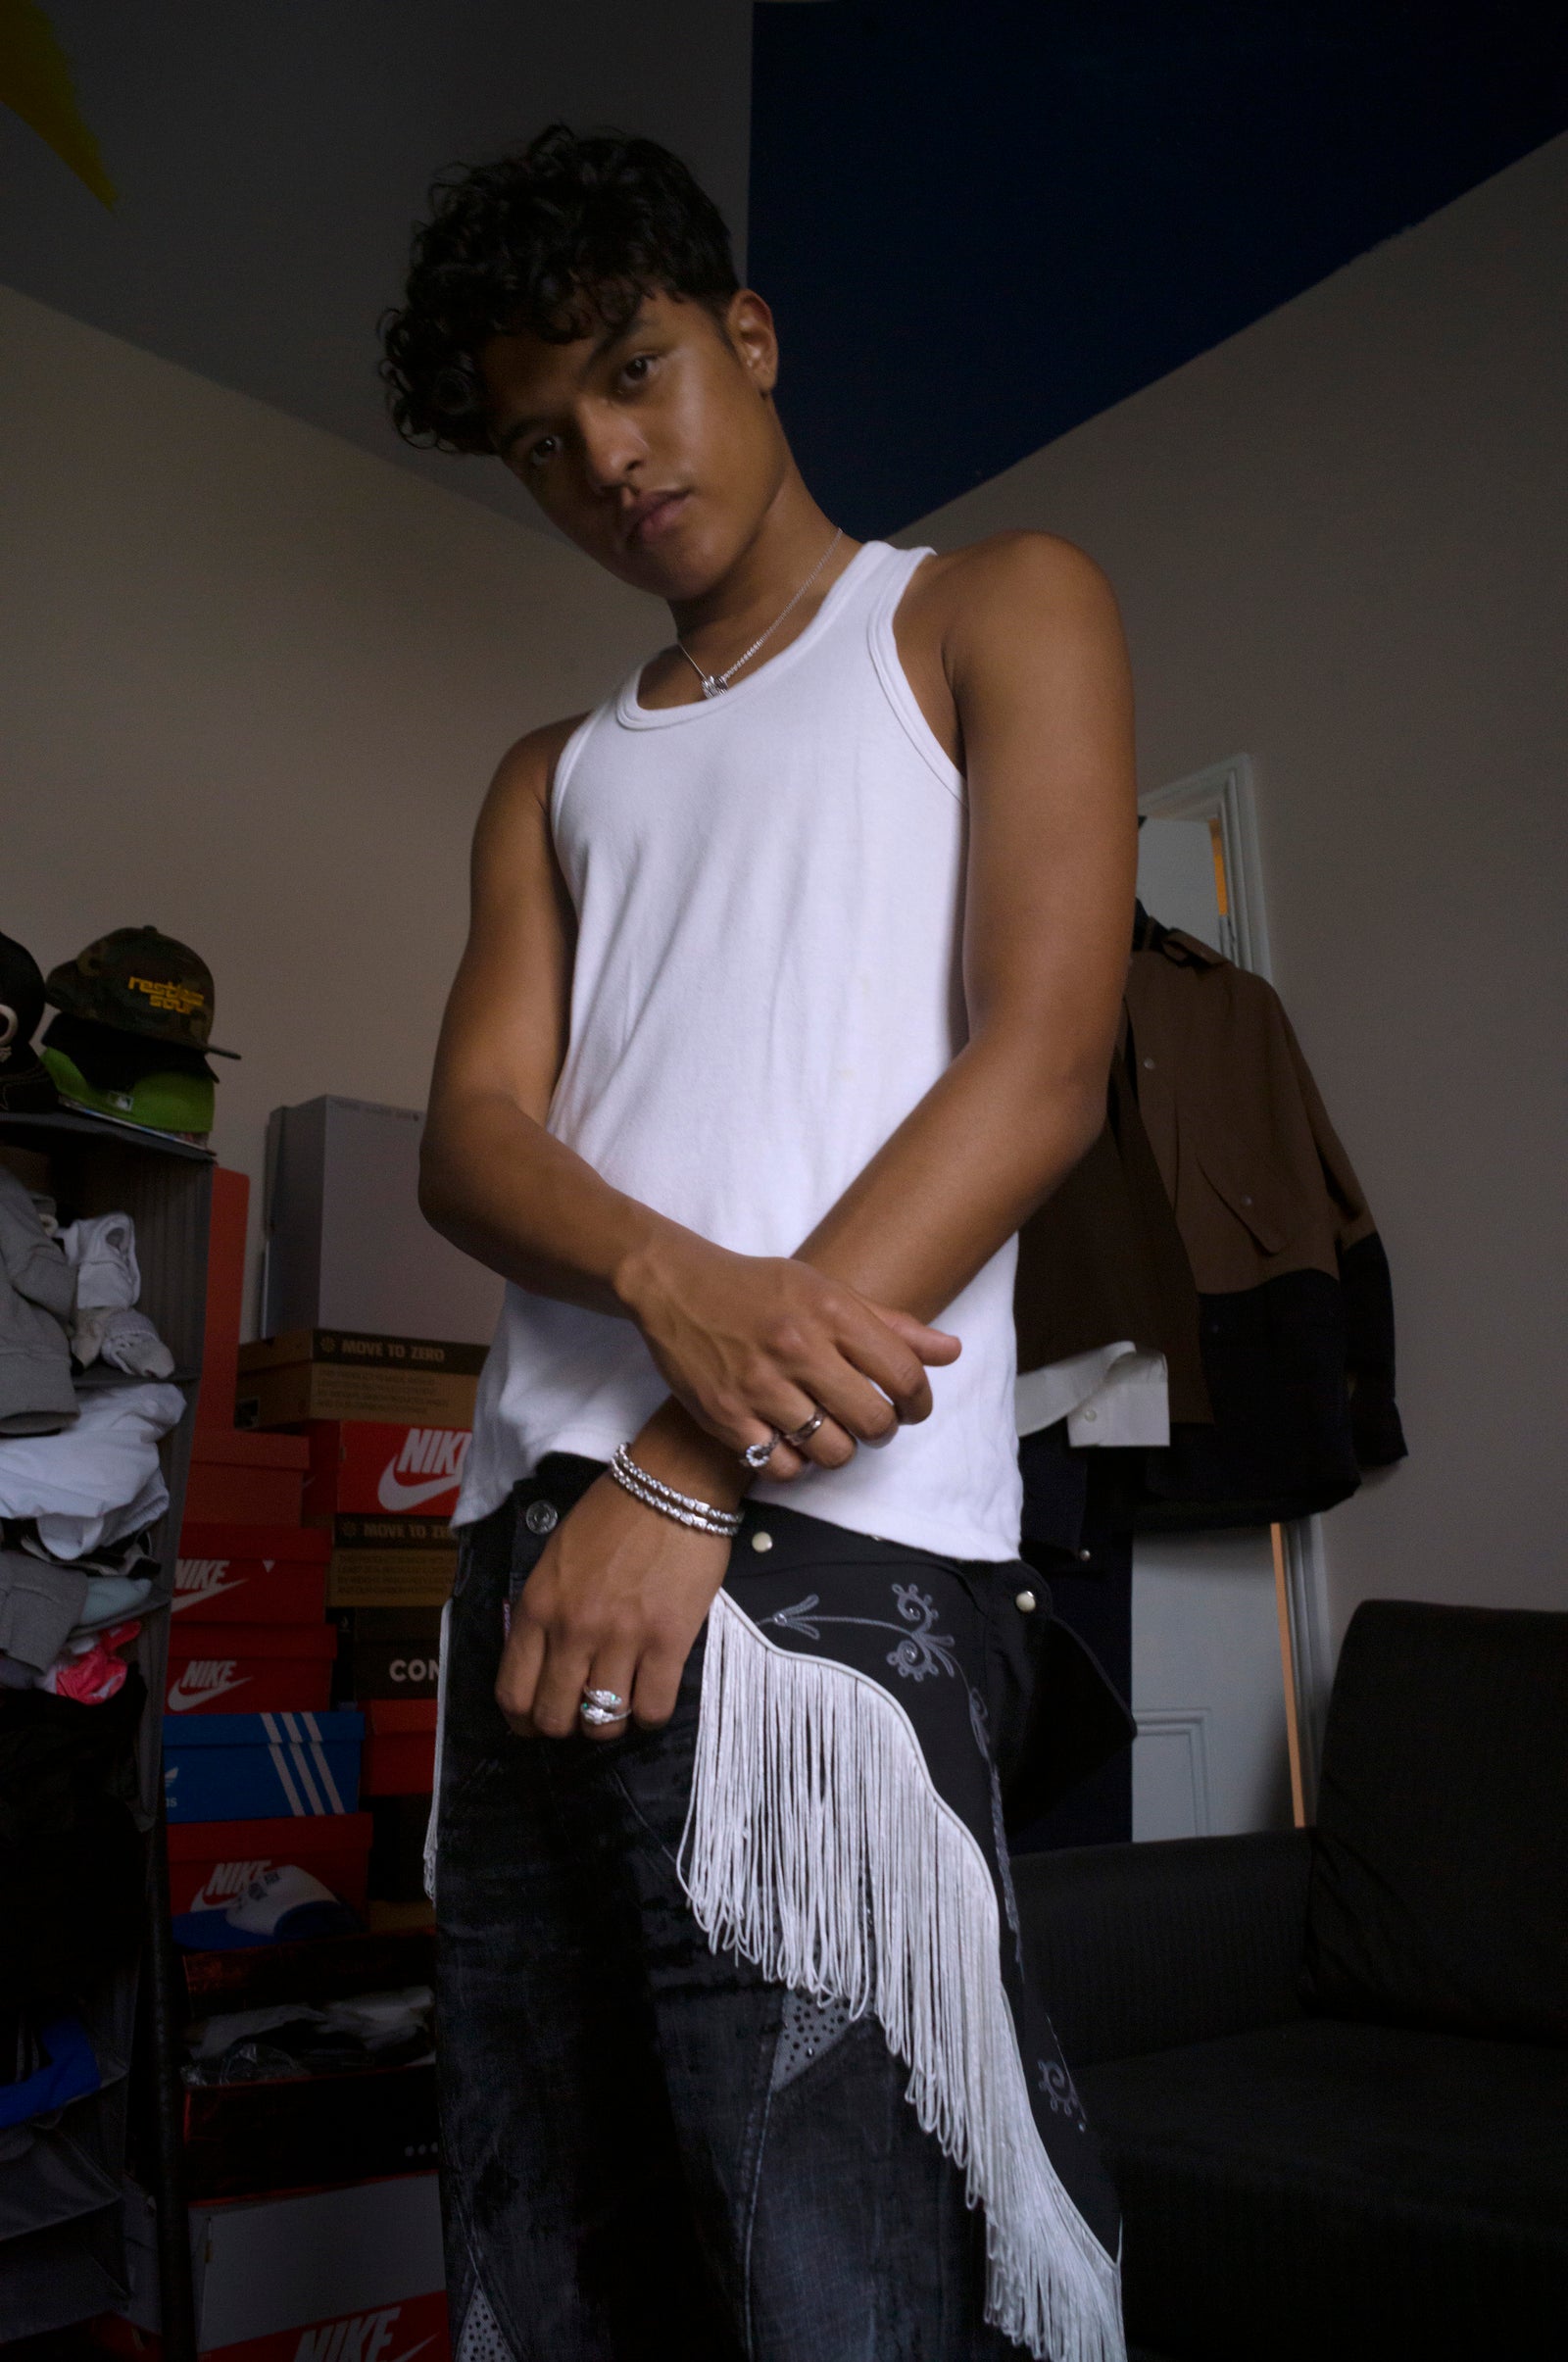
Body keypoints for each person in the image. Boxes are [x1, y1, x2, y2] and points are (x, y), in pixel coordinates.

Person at [383, 124, 1136, 2362]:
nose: (606, 459)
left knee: (839, 2291)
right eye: (541, 440)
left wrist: (691, 1454)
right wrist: (665, 1284)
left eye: (633, 374)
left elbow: (1043, 1067)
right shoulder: (552, 771)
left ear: (749, 333)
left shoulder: (988, 605)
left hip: (822, 1554)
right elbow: (467, 1142)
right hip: (534, 1561)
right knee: (563, 2256)